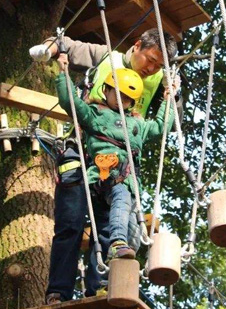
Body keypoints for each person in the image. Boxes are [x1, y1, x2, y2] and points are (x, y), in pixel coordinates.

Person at [29, 28, 179, 304]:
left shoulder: (158, 80)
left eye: (159, 65)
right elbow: (65, 44)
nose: (152, 68)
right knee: (70, 223)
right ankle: (58, 292)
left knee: (109, 226)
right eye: (150, 59)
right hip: (81, 152)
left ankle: (98, 289)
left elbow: (162, 124)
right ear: (137, 46)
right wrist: (50, 52)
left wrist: (172, 94)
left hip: (118, 162)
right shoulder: (105, 57)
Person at [55, 63, 174, 264]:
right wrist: (63, 73)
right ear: (106, 90)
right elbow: (71, 102)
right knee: (120, 197)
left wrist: (169, 99)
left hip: (127, 181)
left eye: (127, 98)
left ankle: (103, 282)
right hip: (104, 177)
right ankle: (118, 242)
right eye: (118, 94)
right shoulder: (95, 114)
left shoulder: (138, 123)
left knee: (117, 230)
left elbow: (161, 126)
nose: (122, 101)